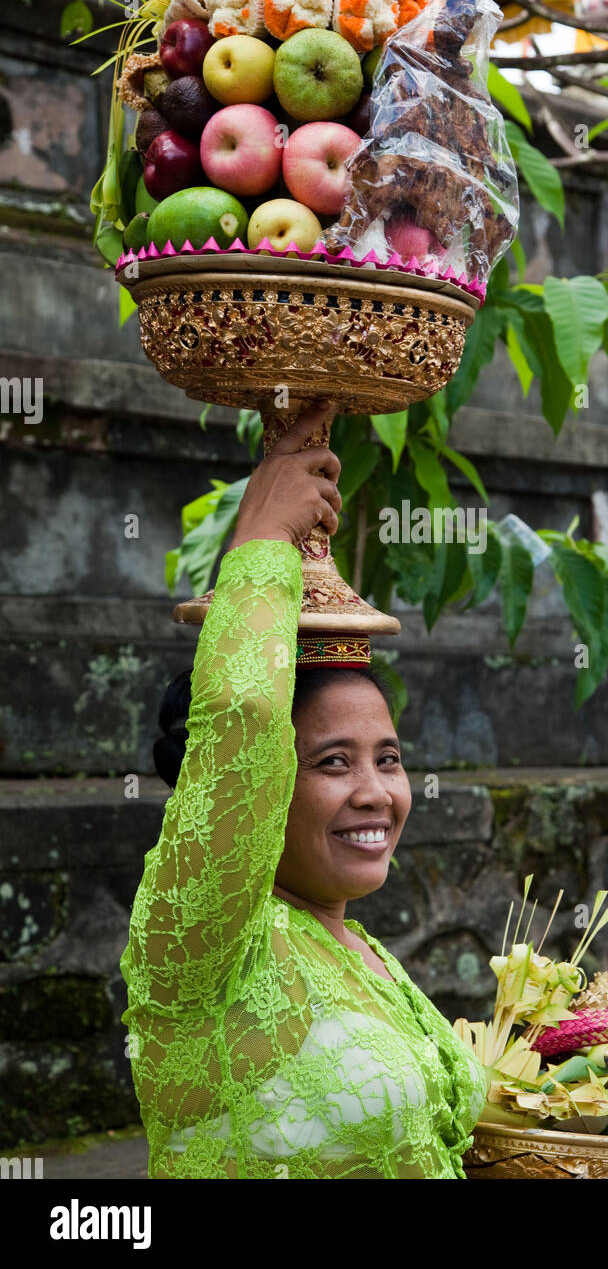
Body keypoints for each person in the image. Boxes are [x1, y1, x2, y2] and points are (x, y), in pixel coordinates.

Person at [120, 399, 487, 1179]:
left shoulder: (360, 949)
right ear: (253, 784)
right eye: (330, 762)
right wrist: (261, 537)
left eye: (387, 758)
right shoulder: (204, 941)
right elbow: (246, 717)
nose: (375, 793)